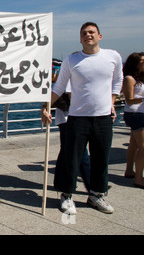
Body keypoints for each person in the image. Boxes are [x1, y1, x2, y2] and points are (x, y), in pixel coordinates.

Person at [41, 22, 123, 215]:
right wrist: (46, 106)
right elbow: (59, 87)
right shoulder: (72, 59)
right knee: (72, 158)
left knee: (101, 159)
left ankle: (96, 195)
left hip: (103, 118)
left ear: (99, 36)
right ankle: (67, 196)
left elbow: (118, 80)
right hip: (77, 118)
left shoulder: (113, 57)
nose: (88, 35)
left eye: (91, 32)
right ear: (80, 38)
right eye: (84, 33)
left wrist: (112, 102)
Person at [122, 52, 144, 188]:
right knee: (143, 147)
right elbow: (129, 100)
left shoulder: (141, 78)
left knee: (134, 144)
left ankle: (129, 170)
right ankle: (139, 178)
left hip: (139, 113)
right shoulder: (129, 79)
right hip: (136, 114)